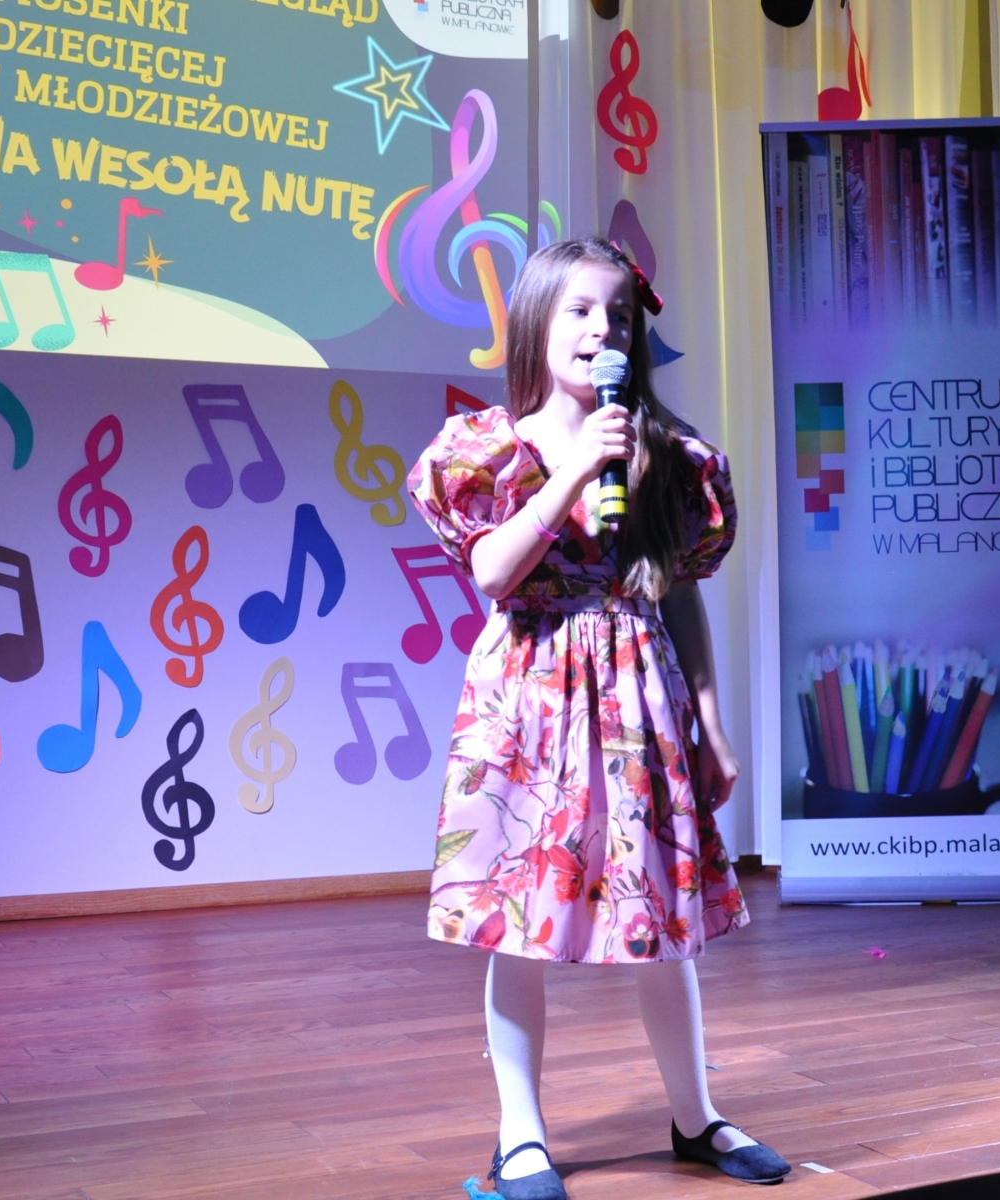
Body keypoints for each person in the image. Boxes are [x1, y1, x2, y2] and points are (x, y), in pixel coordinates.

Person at [407, 237, 789, 1197]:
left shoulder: (667, 455)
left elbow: (677, 592)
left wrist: (711, 723)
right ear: (537, 320)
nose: (601, 330)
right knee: (519, 919)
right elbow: (493, 574)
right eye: (580, 310)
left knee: (661, 910)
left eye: (617, 314)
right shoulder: (491, 449)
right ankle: (521, 1134)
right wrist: (574, 472)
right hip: (528, 695)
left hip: (636, 692)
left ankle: (696, 1117)